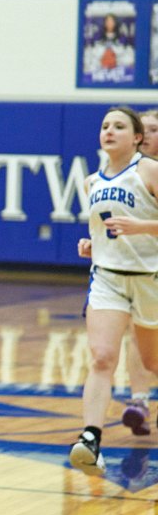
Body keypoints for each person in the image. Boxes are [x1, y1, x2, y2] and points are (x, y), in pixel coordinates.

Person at [70, 106, 158, 475]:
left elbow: (136, 227)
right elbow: (106, 228)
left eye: (119, 126)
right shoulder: (92, 181)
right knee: (103, 357)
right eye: (105, 126)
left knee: (152, 362)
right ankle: (90, 439)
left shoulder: (149, 171)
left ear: (136, 137)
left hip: (150, 278)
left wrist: (142, 227)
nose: (109, 131)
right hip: (107, 277)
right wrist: (94, 245)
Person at [119, 108, 158, 434]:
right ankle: (139, 400)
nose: (147, 135)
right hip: (139, 266)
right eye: (143, 129)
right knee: (138, 331)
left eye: (154, 129)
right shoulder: (123, 172)